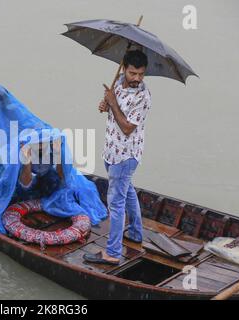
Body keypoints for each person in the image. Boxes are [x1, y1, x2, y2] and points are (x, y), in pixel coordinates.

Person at [84, 50, 152, 265]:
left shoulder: (143, 97)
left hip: (126, 155)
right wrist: (105, 105)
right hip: (111, 151)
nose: (136, 79)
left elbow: (127, 128)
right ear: (124, 69)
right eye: (133, 73)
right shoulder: (118, 83)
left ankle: (112, 253)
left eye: (141, 74)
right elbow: (112, 111)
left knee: (116, 204)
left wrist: (112, 103)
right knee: (127, 191)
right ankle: (135, 233)